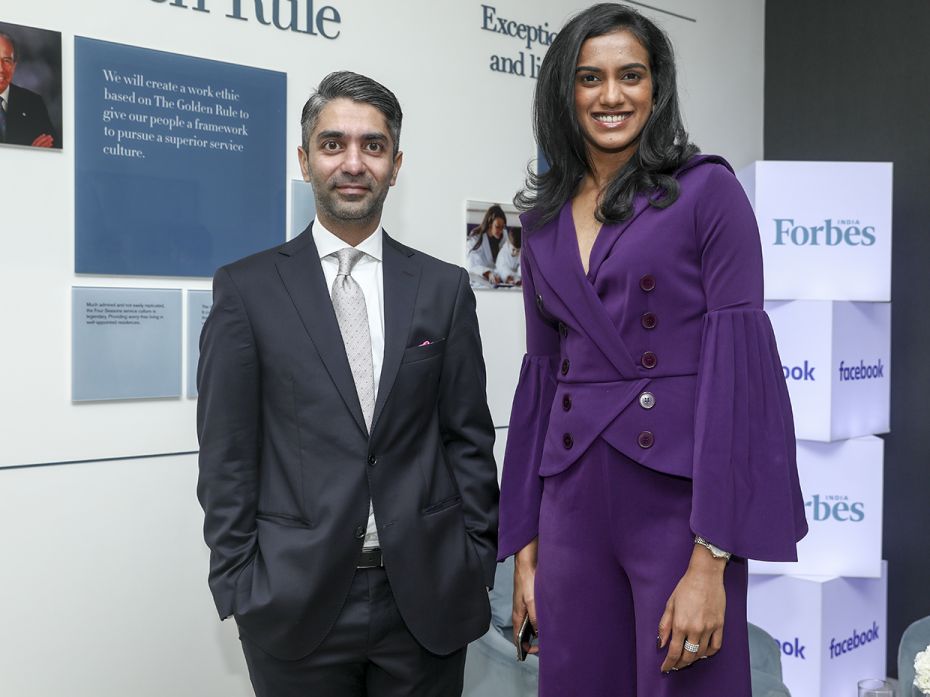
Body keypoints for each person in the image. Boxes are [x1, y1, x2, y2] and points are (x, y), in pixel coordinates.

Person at [498, 5, 807, 697]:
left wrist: (712, 560)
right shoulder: (540, 222)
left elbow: (741, 377)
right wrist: (525, 548)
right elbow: (543, 381)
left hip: (679, 506)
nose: (611, 96)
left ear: (656, 86)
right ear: (564, 91)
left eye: (630, 75)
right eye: (590, 78)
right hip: (570, 503)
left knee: (685, 686)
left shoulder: (709, 192)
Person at [197, 71, 499, 697]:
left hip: (426, 597)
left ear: (395, 164)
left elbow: (466, 436)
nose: (353, 162)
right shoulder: (246, 291)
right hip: (293, 602)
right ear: (304, 161)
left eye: (373, 145)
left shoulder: (442, 289)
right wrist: (240, 582)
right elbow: (226, 456)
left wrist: (473, 558)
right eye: (333, 144)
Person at [0, 32, 57, 148]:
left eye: (6, 61)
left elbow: (53, 146)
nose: (1, 68)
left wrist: (32, 155)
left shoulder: (33, 103)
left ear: (14, 66)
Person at [466, 203, 507, 285]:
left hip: (498, 280)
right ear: (490, 223)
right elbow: (472, 265)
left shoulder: (504, 236)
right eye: (497, 226)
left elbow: (506, 261)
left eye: (503, 227)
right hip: (480, 279)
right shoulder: (475, 239)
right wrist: (488, 273)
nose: (501, 230)